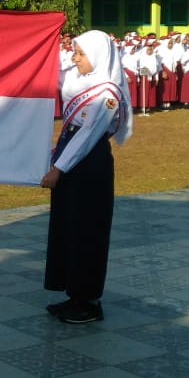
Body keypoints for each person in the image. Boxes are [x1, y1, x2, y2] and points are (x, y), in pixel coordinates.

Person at [39, 30, 133, 324]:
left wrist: (58, 169)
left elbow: (88, 135)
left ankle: (88, 301)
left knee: (87, 231)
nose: (74, 58)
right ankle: (73, 294)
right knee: (68, 227)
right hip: (71, 163)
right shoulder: (81, 81)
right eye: (74, 52)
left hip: (89, 166)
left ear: (98, 56)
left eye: (80, 54)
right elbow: (54, 73)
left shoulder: (107, 93)